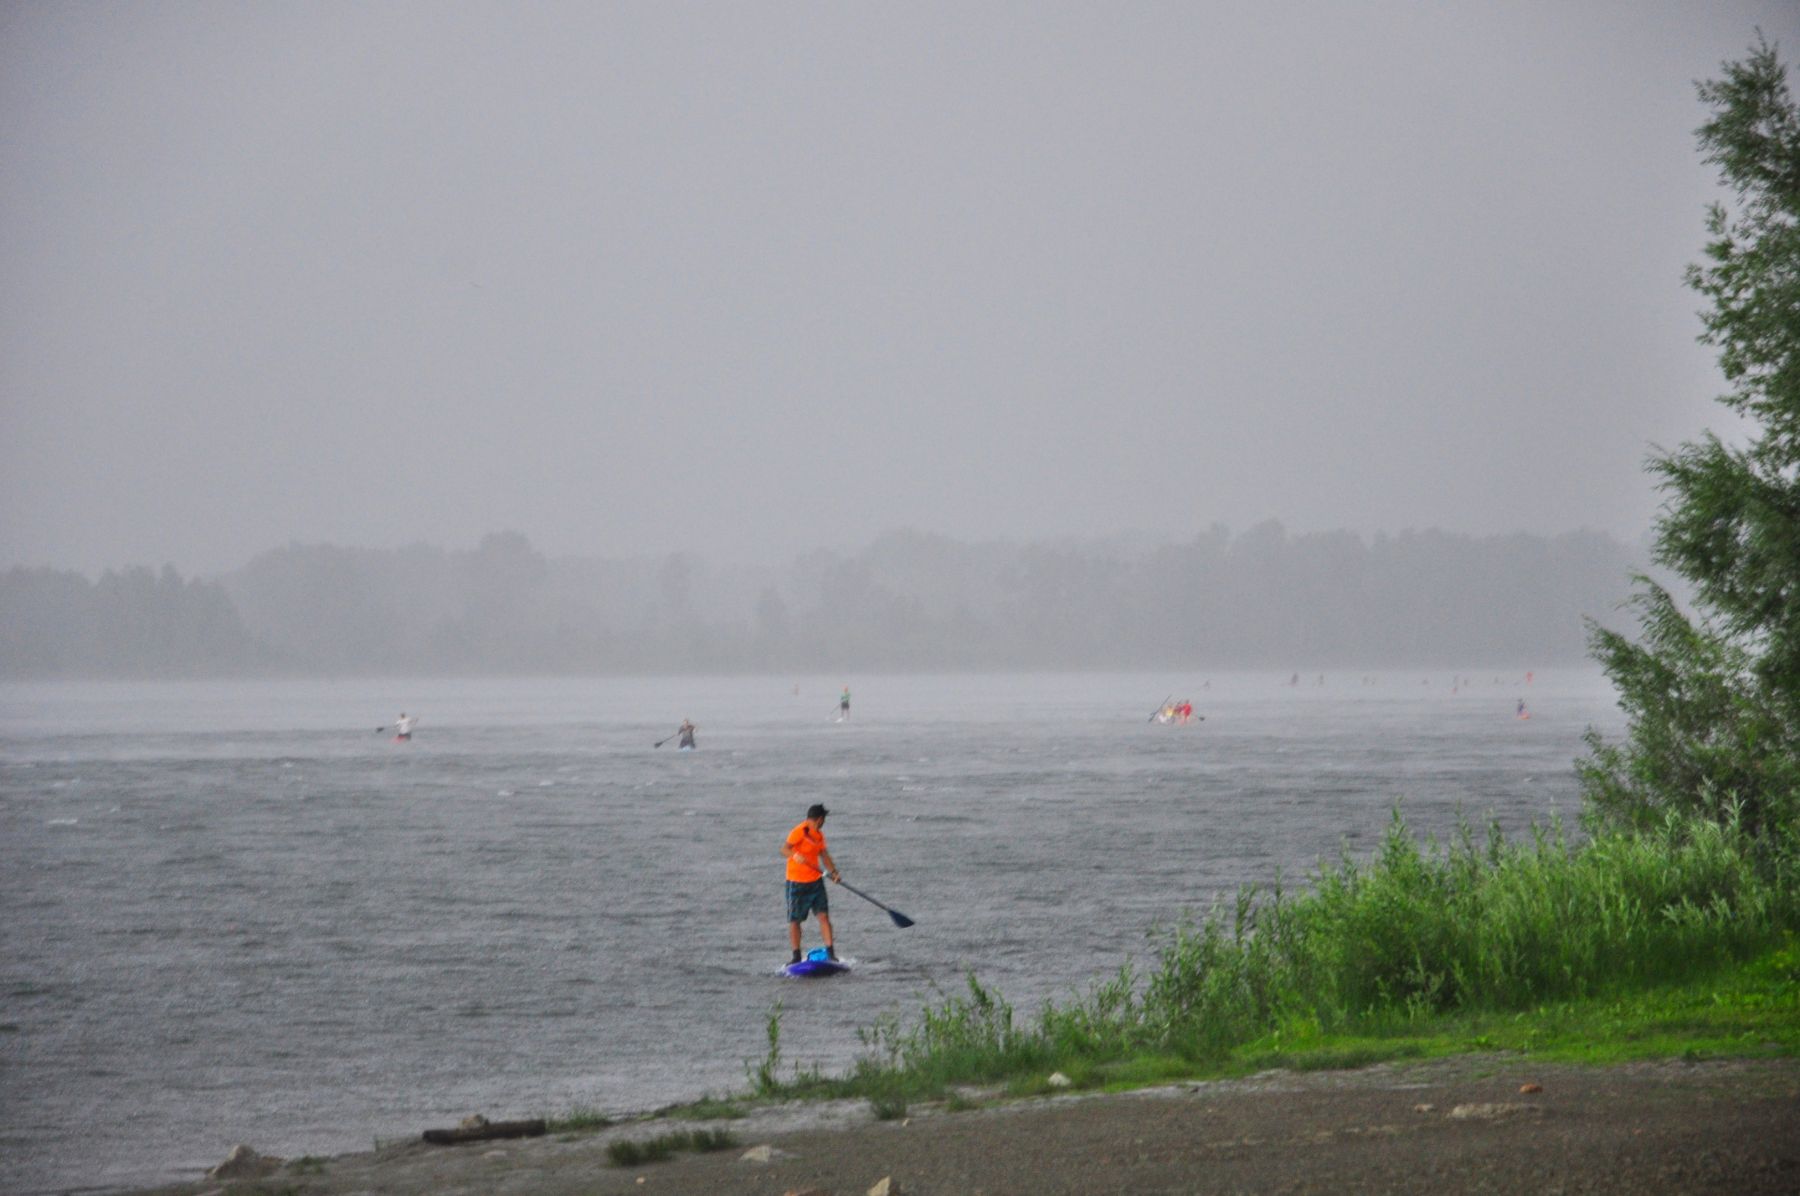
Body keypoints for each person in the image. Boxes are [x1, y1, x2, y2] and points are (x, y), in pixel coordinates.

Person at [783, 803, 840, 963]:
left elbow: (824, 855)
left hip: (815, 882)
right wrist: (795, 855)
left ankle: (831, 954)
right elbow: (784, 849)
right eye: (824, 819)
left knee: (823, 916)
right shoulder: (798, 831)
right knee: (795, 920)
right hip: (796, 883)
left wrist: (834, 873)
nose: (824, 823)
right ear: (820, 819)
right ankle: (796, 957)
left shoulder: (819, 835)